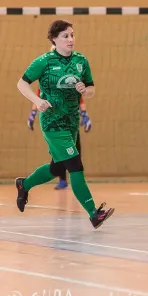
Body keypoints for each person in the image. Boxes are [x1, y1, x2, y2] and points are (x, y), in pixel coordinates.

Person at [15, 19, 115, 229]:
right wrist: (37, 101)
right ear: (54, 39)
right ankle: (93, 214)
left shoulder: (81, 60)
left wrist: (84, 90)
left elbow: (91, 89)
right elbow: (21, 83)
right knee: (75, 166)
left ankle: (24, 184)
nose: (70, 39)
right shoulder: (44, 61)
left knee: (57, 167)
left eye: (72, 35)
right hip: (52, 122)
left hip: (71, 121)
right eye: (65, 36)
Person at [27, 81, 92, 190]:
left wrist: (85, 115)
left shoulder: (70, 81)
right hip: (56, 124)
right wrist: (32, 114)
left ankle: (77, 181)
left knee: (76, 153)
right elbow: (38, 99)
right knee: (59, 156)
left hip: (71, 123)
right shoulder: (46, 81)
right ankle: (62, 179)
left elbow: (80, 100)